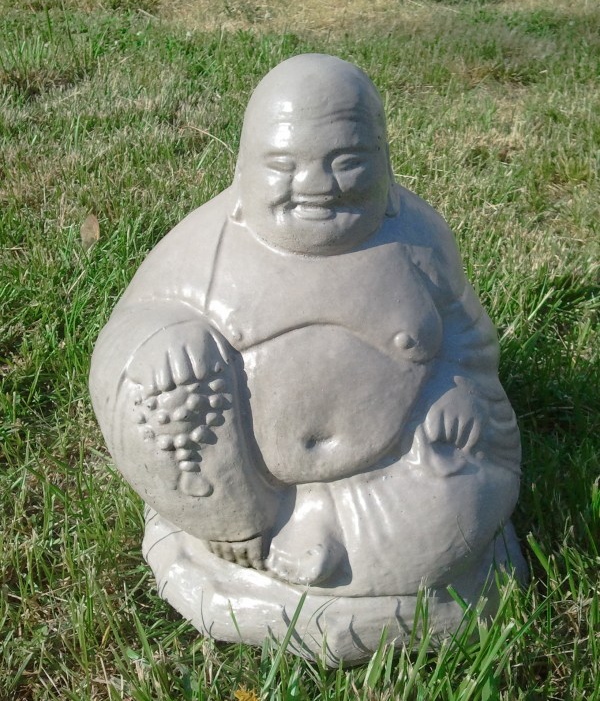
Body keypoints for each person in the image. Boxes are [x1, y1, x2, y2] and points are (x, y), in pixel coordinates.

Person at [90, 54, 522, 596]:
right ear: (242, 171)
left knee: (464, 508)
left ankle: (337, 540)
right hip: (250, 488)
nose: (316, 184)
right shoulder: (202, 250)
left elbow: (467, 336)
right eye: (282, 165)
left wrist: (458, 388)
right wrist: (159, 338)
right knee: (165, 370)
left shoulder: (418, 240)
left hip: (401, 472)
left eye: (348, 161)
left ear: (384, 164)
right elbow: (125, 339)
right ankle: (237, 526)